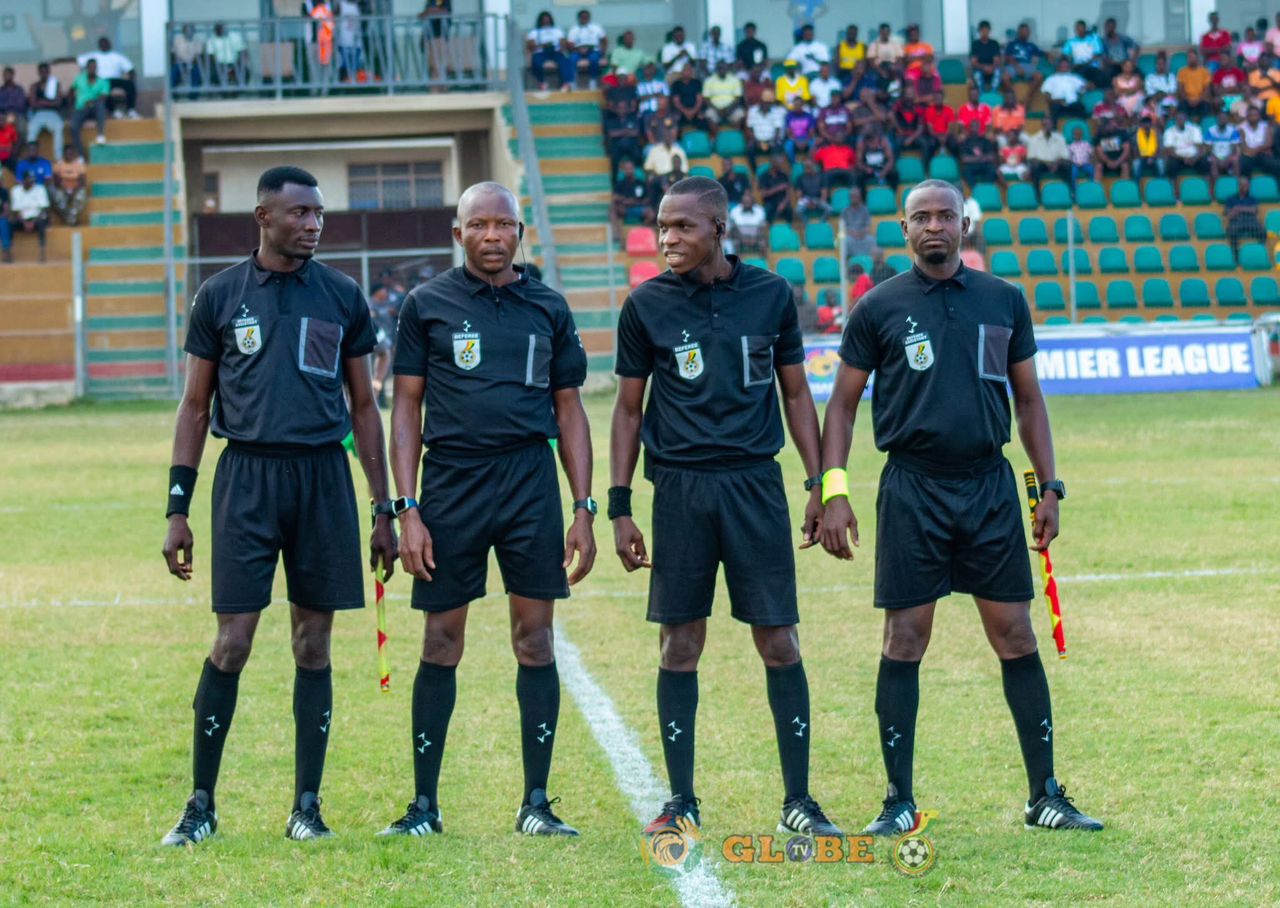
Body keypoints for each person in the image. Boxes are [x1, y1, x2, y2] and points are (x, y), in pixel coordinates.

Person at [819, 177, 1104, 839]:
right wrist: (834, 489)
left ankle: (1045, 796)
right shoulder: (878, 308)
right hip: (912, 487)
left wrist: (1049, 488)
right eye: (922, 217)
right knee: (904, 639)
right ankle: (897, 802)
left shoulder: (1003, 301)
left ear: (964, 222)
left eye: (946, 215)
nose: (935, 226)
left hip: (988, 486)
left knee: (1015, 634)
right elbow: (841, 404)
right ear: (906, 227)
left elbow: (1029, 401)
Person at [159, 166, 395, 847]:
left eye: (318, 213)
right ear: (263, 216)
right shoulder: (221, 295)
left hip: (323, 480)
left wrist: (384, 508)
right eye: (299, 213)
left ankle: (307, 806)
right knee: (233, 642)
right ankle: (200, 805)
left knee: (312, 643)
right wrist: (178, 506)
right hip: (247, 481)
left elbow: (363, 406)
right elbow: (195, 406)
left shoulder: (343, 297)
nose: (313, 223)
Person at [610, 175, 842, 843]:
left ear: (717, 229)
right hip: (679, 489)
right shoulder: (645, 305)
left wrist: (821, 487)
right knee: (680, 643)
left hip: (754, 487)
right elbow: (628, 410)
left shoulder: (770, 294)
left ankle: (798, 799)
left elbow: (798, 396)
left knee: (778, 640)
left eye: (681, 227)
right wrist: (621, 506)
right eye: (660, 227)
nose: (666, 239)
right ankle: (681, 800)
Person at [381, 184, 596, 842]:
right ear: (459, 233)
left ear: (520, 232)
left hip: (530, 481)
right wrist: (409, 508)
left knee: (534, 639)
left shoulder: (549, 307)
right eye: (480, 224)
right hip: (451, 486)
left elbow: (569, 410)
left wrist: (583, 506)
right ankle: (424, 806)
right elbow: (407, 409)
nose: (493, 235)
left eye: (504, 224)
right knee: (441, 640)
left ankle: (536, 802)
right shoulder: (427, 305)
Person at [78, 37, 138, 119]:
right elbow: (77, 61)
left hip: (116, 79)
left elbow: (130, 69)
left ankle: (131, 110)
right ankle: (114, 111)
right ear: (99, 45)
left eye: (106, 43)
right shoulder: (93, 55)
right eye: (102, 43)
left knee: (130, 85)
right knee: (104, 88)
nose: (104, 45)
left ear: (109, 44)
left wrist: (131, 76)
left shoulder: (117, 56)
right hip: (101, 80)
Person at [68, 59, 110, 157]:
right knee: (73, 126)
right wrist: (70, 107)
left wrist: (92, 101)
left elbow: (104, 97)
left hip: (95, 106)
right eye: (90, 67)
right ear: (87, 68)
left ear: (97, 69)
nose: (92, 69)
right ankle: (81, 154)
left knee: (100, 105)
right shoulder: (79, 78)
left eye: (94, 67)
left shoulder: (103, 82)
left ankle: (100, 135)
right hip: (81, 107)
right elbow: (71, 90)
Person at [8, 170, 49, 262]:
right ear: (23, 180)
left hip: (37, 218)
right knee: (9, 224)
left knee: (42, 223)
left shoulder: (40, 189)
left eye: (33, 180)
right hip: (22, 219)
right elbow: (15, 211)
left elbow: (44, 209)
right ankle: (8, 253)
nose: (31, 182)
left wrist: (33, 222)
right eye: (29, 180)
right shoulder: (16, 190)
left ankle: (42, 253)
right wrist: (25, 223)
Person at [26, 63, 65, 160]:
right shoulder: (34, 86)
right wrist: (49, 102)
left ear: (49, 71)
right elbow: (33, 103)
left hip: (52, 114)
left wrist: (41, 102)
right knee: (31, 130)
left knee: (59, 127)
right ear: (38, 73)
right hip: (38, 114)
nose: (44, 73)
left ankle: (58, 159)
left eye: (46, 71)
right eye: (41, 71)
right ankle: (31, 158)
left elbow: (58, 103)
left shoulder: (55, 85)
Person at [1001, 22, 1045, 100]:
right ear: (1019, 32)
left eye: (1027, 32)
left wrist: (1050, 54)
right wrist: (1017, 67)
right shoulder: (1012, 44)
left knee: (1039, 76)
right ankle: (1013, 97)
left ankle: (1027, 97)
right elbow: (1008, 57)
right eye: (1024, 31)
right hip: (1013, 65)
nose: (1026, 33)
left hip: (1027, 65)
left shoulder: (1031, 45)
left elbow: (1041, 53)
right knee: (1005, 77)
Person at [527, 11, 570, 91]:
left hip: (555, 51)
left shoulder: (557, 31)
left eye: (548, 19)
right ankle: (542, 83)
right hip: (540, 52)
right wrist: (543, 45)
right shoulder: (534, 32)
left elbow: (563, 44)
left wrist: (561, 47)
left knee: (564, 61)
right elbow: (531, 47)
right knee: (536, 62)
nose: (546, 21)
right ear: (540, 21)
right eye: (544, 20)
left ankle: (565, 84)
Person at [745, 90, 787, 172]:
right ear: (760, 101)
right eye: (764, 102)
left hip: (771, 140)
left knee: (777, 147)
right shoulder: (752, 110)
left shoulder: (776, 111)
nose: (766, 105)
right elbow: (750, 129)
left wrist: (771, 142)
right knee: (749, 148)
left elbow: (777, 130)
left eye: (768, 103)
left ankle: (775, 171)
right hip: (757, 141)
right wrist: (756, 142)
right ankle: (755, 171)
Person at [1224, 175, 1265, 254]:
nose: (1244, 187)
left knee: (1262, 231)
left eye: (1246, 185)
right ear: (1238, 186)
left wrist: (1237, 208)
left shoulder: (1252, 198)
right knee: (1231, 231)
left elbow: (1254, 210)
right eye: (1242, 185)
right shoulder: (1230, 199)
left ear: (1249, 186)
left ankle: (1260, 252)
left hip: (1251, 222)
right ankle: (1235, 254)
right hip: (1236, 222)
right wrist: (1246, 209)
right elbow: (1229, 215)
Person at [612, 158, 653, 236]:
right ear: (624, 171)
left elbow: (647, 198)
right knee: (613, 209)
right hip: (625, 209)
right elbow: (615, 197)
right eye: (626, 169)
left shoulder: (640, 183)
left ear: (634, 169)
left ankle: (640, 233)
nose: (628, 171)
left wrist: (637, 202)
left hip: (638, 207)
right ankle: (617, 234)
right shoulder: (620, 183)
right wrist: (626, 201)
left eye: (630, 168)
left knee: (651, 213)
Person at [567, 8, 606, 90]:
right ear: (579, 18)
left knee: (594, 58)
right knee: (571, 59)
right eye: (582, 17)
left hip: (593, 50)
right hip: (578, 51)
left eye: (586, 17)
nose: (584, 19)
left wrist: (603, 50)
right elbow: (570, 44)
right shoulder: (574, 29)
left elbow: (604, 40)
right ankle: (572, 82)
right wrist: (578, 49)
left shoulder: (596, 28)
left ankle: (593, 80)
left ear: (589, 18)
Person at [1024, 118, 1070, 188]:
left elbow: (1065, 156)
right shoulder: (1033, 139)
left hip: (1057, 163)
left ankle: (1069, 191)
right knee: (1034, 167)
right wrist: (1046, 163)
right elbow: (1031, 158)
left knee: (1067, 166)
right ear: (1042, 126)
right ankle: (1037, 194)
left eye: (1049, 125)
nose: (1047, 127)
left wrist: (1057, 163)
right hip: (1041, 164)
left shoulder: (1060, 138)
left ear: (1052, 126)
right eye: (1045, 125)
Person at [1062, 19, 1106, 88]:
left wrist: (1088, 63)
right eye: (1077, 29)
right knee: (1078, 74)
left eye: (1081, 28)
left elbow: (1098, 54)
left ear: (1085, 28)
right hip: (1078, 66)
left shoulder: (1094, 40)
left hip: (1092, 66)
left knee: (1099, 75)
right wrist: (1071, 64)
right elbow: (1065, 56)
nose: (1079, 31)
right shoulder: (1070, 42)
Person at [1163, 110, 1207, 179]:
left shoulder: (1194, 129)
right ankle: (1174, 186)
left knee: (1205, 161)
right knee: (1171, 163)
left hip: (1194, 158)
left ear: (1186, 119)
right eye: (1178, 119)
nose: (1180, 121)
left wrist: (1195, 158)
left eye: (1182, 119)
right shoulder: (1169, 131)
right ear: (1175, 120)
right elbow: (1170, 151)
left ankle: (1205, 185)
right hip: (1178, 158)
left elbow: (1201, 148)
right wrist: (1183, 159)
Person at [50, 146, 88, 226]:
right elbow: (56, 181)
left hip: (76, 189)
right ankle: (72, 220)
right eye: (67, 153)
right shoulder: (58, 165)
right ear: (64, 154)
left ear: (74, 154)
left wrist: (73, 191)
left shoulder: (79, 165)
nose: (69, 155)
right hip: (62, 189)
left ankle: (70, 219)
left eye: (71, 153)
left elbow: (82, 182)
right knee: (58, 197)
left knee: (82, 195)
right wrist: (66, 190)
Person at [854, 123, 897, 193]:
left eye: (873, 140)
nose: (871, 144)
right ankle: (863, 199)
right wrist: (865, 169)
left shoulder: (884, 141)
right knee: (859, 177)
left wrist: (885, 171)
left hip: (882, 167)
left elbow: (891, 159)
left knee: (894, 174)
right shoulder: (861, 144)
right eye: (869, 141)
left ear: (877, 137)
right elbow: (858, 162)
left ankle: (892, 195)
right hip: (869, 168)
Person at [702, 60, 744, 129]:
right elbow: (706, 99)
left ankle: (735, 137)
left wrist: (728, 110)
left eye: (724, 68)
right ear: (716, 69)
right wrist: (718, 110)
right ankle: (715, 138)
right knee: (709, 114)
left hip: (731, 109)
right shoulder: (709, 80)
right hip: (715, 109)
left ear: (727, 69)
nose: (722, 70)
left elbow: (737, 99)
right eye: (720, 68)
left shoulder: (735, 80)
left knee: (740, 113)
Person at [604, 99, 643, 172]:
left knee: (637, 153)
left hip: (631, 144)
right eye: (620, 108)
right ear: (617, 109)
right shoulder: (612, 120)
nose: (622, 110)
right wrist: (626, 131)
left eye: (624, 108)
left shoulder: (632, 118)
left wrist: (620, 133)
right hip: (617, 145)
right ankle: (615, 178)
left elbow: (636, 132)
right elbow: (611, 134)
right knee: (614, 156)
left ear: (627, 109)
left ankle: (637, 174)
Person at [958, 120, 998, 188]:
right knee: (966, 172)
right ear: (969, 128)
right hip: (971, 166)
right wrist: (982, 158)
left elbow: (991, 157)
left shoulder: (985, 140)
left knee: (992, 170)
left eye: (976, 126)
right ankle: (975, 190)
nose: (974, 128)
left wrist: (974, 158)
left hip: (984, 165)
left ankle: (986, 188)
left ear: (979, 128)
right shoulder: (966, 141)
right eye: (973, 126)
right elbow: (964, 159)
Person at [727, 187, 768, 253]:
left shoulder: (760, 210)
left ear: (752, 201)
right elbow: (733, 229)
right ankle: (738, 262)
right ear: (741, 201)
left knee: (763, 242)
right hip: (739, 238)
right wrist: (742, 238)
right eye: (745, 202)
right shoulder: (734, 211)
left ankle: (761, 262)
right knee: (734, 242)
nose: (747, 204)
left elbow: (762, 228)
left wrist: (755, 238)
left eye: (749, 202)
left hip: (756, 237)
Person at [1240, 105, 1277, 176]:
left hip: (1261, 154)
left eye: (1255, 115)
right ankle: (1245, 184)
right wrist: (1255, 150)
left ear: (1259, 116)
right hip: (1248, 155)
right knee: (1243, 164)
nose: (1253, 117)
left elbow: (1269, 143)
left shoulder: (1265, 126)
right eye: (1251, 115)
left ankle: (1273, 184)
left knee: (1274, 165)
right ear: (1247, 116)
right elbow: (1243, 146)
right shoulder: (1241, 128)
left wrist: (1256, 150)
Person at [670, 64, 708, 132]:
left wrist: (693, 111)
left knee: (703, 120)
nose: (688, 72)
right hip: (681, 111)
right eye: (686, 70)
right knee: (675, 118)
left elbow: (699, 100)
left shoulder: (697, 83)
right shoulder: (676, 84)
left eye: (689, 70)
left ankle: (703, 140)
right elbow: (676, 102)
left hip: (695, 110)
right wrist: (686, 112)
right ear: (682, 72)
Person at [1206, 110, 1242, 181]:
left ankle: (1235, 184)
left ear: (1227, 119)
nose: (1222, 120)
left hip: (1229, 155)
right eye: (1220, 118)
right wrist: (1217, 159)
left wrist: (1227, 159)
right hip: (1215, 155)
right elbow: (1209, 149)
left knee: (1236, 161)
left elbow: (1234, 148)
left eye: (1224, 118)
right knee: (1213, 162)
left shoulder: (1233, 131)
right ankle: (1218, 185)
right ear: (1217, 119)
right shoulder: (1211, 130)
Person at [757, 153, 794, 222]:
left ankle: (789, 229)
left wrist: (783, 203)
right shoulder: (764, 177)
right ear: (773, 163)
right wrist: (777, 188)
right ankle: (769, 230)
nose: (781, 165)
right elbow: (763, 194)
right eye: (778, 163)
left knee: (789, 210)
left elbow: (788, 193)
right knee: (768, 210)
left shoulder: (784, 176)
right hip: (770, 202)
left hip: (783, 201)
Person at [840, 186, 875, 260]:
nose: (854, 198)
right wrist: (853, 233)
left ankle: (868, 261)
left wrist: (862, 233)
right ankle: (850, 262)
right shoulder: (845, 211)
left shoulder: (865, 210)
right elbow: (842, 228)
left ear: (859, 198)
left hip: (862, 235)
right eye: (852, 196)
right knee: (845, 241)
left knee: (871, 240)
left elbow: (868, 226)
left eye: (856, 196)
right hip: (850, 235)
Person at [171, 24, 205, 97]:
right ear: (183, 31)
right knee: (173, 73)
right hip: (180, 63)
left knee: (197, 73)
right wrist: (180, 63)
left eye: (191, 30)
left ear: (193, 31)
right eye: (187, 30)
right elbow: (174, 54)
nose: (189, 32)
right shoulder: (178, 40)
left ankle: (193, 96)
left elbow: (198, 55)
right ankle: (173, 96)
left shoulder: (197, 40)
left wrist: (191, 64)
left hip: (193, 63)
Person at [1177, 51, 1213, 118]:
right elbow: (1180, 90)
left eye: (1191, 57)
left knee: (1206, 106)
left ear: (1197, 59)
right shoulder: (1182, 71)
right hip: (1187, 100)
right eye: (1188, 57)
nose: (1189, 59)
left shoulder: (1204, 71)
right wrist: (1188, 99)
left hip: (1201, 99)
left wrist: (1198, 100)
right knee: (1182, 107)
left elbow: (1207, 90)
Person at [970, 20, 1002, 93]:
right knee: (977, 75)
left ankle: (993, 94)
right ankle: (982, 95)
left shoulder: (994, 43)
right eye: (983, 31)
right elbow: (974, 62)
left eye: (986, 31)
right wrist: (984, 68)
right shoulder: (976, 44)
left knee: (998, 72)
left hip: (992, 69)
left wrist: (991, 68)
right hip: (979, 69)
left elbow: (997, 60)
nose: (985, 33)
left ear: (989, 31)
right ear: (979, 31)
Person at [783, 95, 817, 160]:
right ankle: (794, 164)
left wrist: (806, 142)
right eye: (796, 105)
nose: (797, 107)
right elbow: (789, 132)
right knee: (788, 146)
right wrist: (796, 142)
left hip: (806, 138)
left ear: (802, 105)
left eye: (799, 105)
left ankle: (810, 164)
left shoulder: (808, 116)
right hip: (794, 139)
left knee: (813, 144)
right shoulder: (789, 116)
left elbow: (811, 132)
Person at [1131, 114, 1164, 180]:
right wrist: (1144, 158)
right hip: (1141, 157)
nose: (1146, 126)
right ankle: (1136, 186)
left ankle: (1161, 183)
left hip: (1155, 157)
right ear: (1141, 125)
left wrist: (1152, 158)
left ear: (1151, 124)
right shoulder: (1136, 135)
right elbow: (1135, 151)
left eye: (1148, 124)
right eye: (1144, 124)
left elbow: (1160, 149)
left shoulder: (1157, 134)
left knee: (1160, 164)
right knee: (1136, 164)